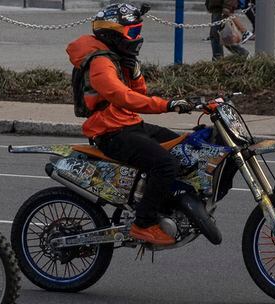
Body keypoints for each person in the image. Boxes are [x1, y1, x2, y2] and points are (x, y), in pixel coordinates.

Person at [68, 2, 195, 247]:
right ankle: (143, 222)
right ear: (114, 34)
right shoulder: (100, 63)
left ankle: (162, 203)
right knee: (165, 164)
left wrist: (135, 73)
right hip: (111, 132)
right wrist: (167, 105)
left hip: (129, 123)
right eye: (133, 33)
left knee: (185, 148)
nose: (137, 38)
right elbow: (123, 97)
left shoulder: (118, 57)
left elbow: (138, 92)